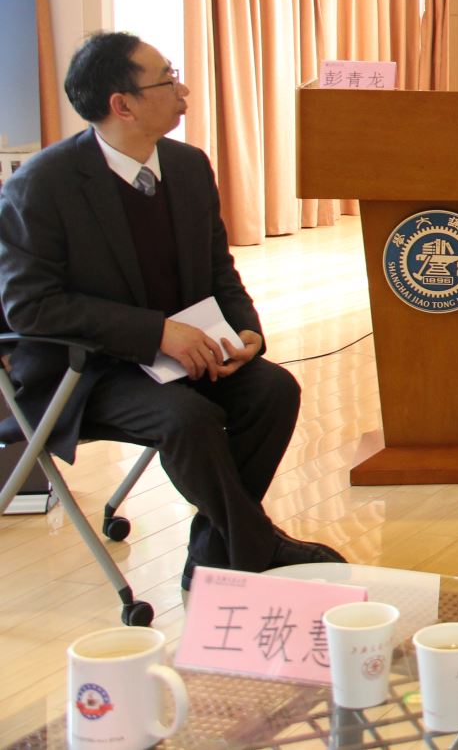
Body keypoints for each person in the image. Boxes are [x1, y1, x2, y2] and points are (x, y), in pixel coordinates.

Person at [0, 31, 344, 589]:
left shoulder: (187, 166)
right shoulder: (41, 186)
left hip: (182, 355)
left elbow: (218, 269)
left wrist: (246, 331)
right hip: (87, 370)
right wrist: (156, 332)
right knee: (189, 419)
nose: (183, 90)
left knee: (273, 390)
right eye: (167, 79)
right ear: (123, 105)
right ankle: (257, 549)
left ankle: (215, 553)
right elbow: (30, 307)